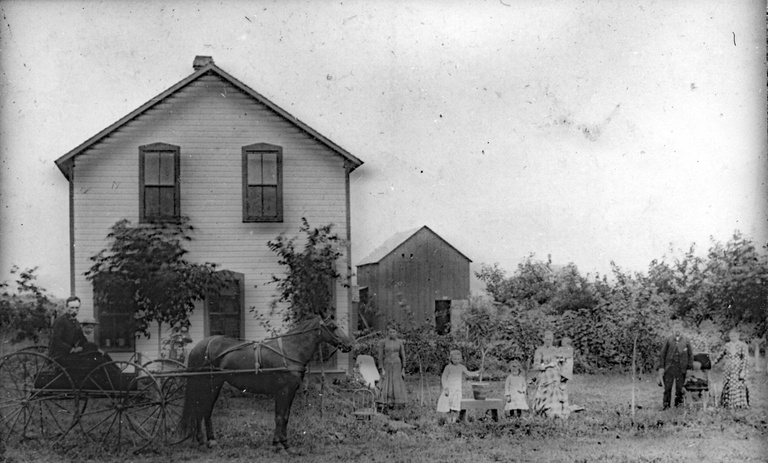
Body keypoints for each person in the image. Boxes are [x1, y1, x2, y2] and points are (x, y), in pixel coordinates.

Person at [531, 330, 570, 418]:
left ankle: (557, 411)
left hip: (556, 374)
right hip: (545, 375)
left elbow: (562, 362)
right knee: (547, 390)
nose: (549, 341)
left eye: (550, 339)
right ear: (543, 339)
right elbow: (536, 366)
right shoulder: (539, 351)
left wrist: (562, 362)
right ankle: (546, 410)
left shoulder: (556, 350)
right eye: (547, 339)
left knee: (558, 390)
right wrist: (547, 365)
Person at [436, 349, 482, 422]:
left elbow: (469, 373)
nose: (456, 361)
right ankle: (449, 422)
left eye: (458, 359)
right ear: (451, 359)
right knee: (448, 407)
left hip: (457, 390)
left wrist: (478, 372)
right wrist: (446, 388)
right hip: (449, 389)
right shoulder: (448, 367)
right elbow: (444, 378)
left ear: (460, 359)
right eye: (454, 359)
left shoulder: (461, 367)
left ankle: (453, 422)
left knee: (455, 407)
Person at [656, 319, 693, 410]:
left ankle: (678, 406)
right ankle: (666, 406)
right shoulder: (668, 339)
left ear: (682, 329)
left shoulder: (686, 340)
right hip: (669, 368)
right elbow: (662, 354)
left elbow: (690, 355)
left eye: (679, 328)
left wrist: (689, 368)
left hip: (681, 368)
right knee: (667, 388)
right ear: (672, 329)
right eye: (676, 328)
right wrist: (661, 367)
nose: (677, 330)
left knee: (679, 388)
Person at [713, 328, 749, 409]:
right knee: (728, 384)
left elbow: (745, 359)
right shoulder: (727, 345)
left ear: (738, 336)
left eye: (735, 336)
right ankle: (728, 404)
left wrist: (743, 371)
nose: (733, 338)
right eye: (731, 336)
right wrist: (713, 362)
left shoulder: (742, 345)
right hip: (728, 368)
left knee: (737, 385)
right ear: (729, 337)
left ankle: (738, 404)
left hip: (738, 368)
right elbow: (720, 355)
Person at [376, 325, 407, 410]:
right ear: (387, 333)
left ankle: (398, 403)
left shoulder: (400, 342)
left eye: (394, 332)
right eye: (390, 332)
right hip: (387, 364)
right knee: (387, 381)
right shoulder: (383, 342)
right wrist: (381, 368)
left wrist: (403, 369)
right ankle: (386, 403)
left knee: (396, 382)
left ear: (396, 333)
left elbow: (403, 355)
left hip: (397, 365)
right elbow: (380, 356)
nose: (392, 334)